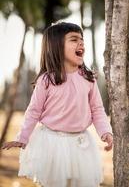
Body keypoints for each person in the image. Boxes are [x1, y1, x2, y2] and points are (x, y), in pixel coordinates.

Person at [2, 22, 113, 187]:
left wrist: (105, 132)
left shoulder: (88, 78)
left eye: (82, 39)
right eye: (74, 39)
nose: (81, 43)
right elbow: (33, 111)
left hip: (81, 143)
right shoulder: (47, 80)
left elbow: (97, 109)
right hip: (52, 144)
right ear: (56, 47)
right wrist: (22, 137)